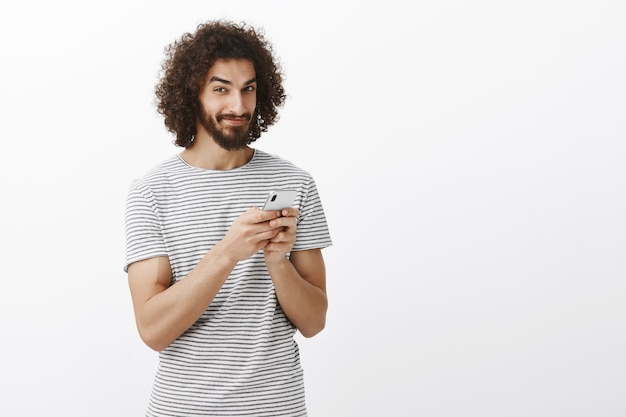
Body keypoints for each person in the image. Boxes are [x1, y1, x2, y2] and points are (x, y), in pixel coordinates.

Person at [123, 20, 332, 417]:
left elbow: (314, 321)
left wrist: (276, 261)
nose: (238, 107)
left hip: (277, 408)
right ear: (192, 94)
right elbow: (152, 330)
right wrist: (227, 254)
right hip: (182, 409)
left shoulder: (294, 183)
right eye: (221, 89)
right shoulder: (152, 192)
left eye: (248, 89)